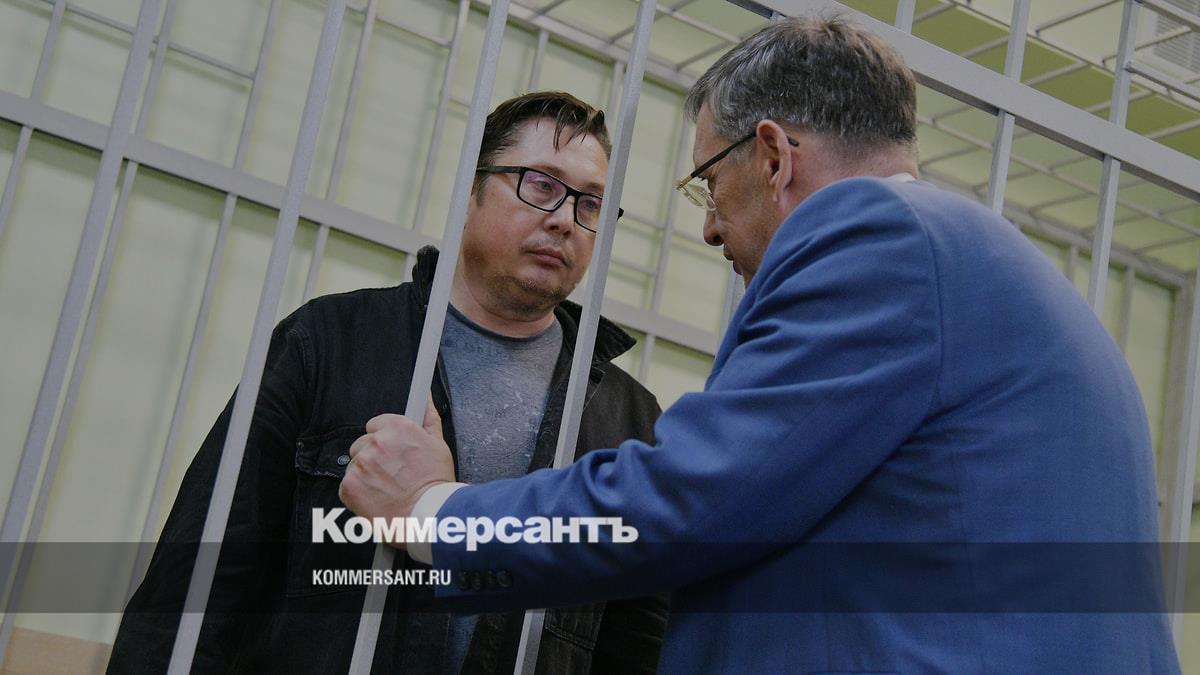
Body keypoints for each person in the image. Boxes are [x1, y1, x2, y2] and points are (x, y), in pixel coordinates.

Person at [339, 16, 1181, 674]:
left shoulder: (878, 236)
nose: (709, 227)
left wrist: (433, 509)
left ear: (772, 155)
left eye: (710, 182)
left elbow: (687, 500)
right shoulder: (999, 274)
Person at [108, 91, 667, 674]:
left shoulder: (628, 418)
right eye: (541, 184)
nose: (564, 219)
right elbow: (200, 578)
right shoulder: (330, 341)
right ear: (470, 190)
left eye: (591, 204)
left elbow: (639, 641)